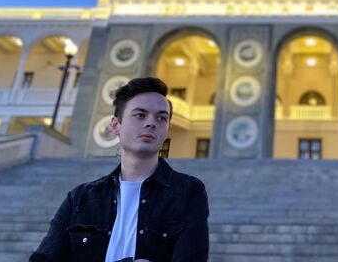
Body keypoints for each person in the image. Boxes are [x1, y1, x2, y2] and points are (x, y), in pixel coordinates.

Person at [30, 77, 209, 262]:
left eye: (161, 118)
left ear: (167, 129)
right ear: (116, 126)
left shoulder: (189, 192)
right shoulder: (80, 198)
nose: (151, 123)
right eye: (140, 115)